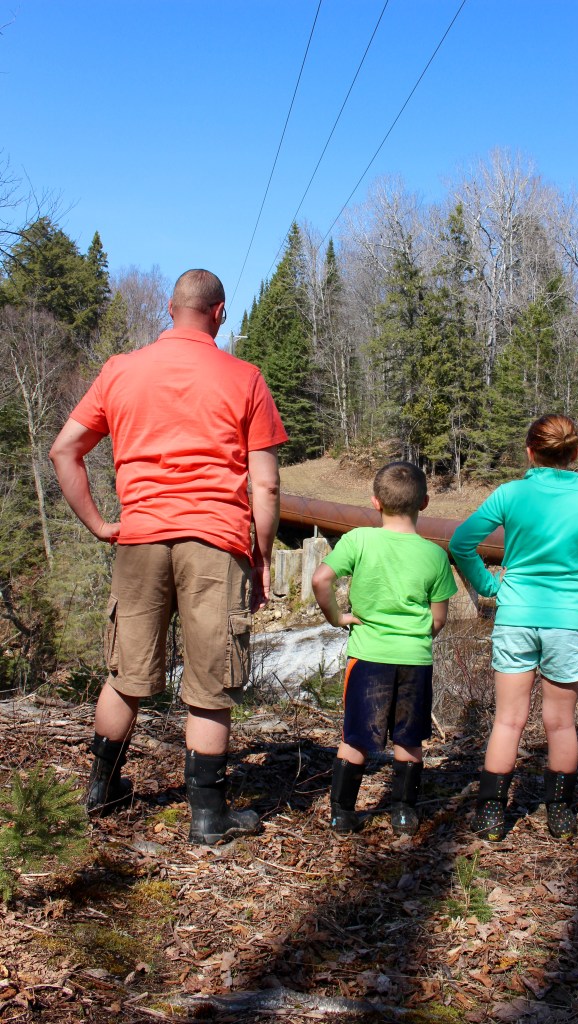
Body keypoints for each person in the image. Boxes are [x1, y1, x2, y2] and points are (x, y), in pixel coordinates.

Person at [49, 269, 288, 845]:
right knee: (211, 680)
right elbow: (267, 488)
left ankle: (101, 790)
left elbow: (65, 450)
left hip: (139, 538)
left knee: (127, 673)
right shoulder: (245, 377)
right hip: (215, 541)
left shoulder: (120, 370)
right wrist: (259, 558)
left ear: (171, 306)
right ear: (220, 312)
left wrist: (102, 524)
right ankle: (207, 817)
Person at [449, 414, 578, 841]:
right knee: (561, 723)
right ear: (575, 454)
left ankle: (490, 816)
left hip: (516, 617)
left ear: (529, 451)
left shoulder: (511, 494)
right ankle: (559, 814)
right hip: (571, 624)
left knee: (508, 721)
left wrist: (489, 585)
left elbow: (461, 543)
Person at [312, 462, 457, 836]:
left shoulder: (359, 540)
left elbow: (321, 579)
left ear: (375, 502)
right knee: (409, 739)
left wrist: (337, 618)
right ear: (423, 502)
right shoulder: (436, 556)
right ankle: (405, 814)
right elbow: (437, 619)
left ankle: (342, 814)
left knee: (355, 737)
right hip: (415, 659)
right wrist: (415, 638)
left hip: (368, 655)